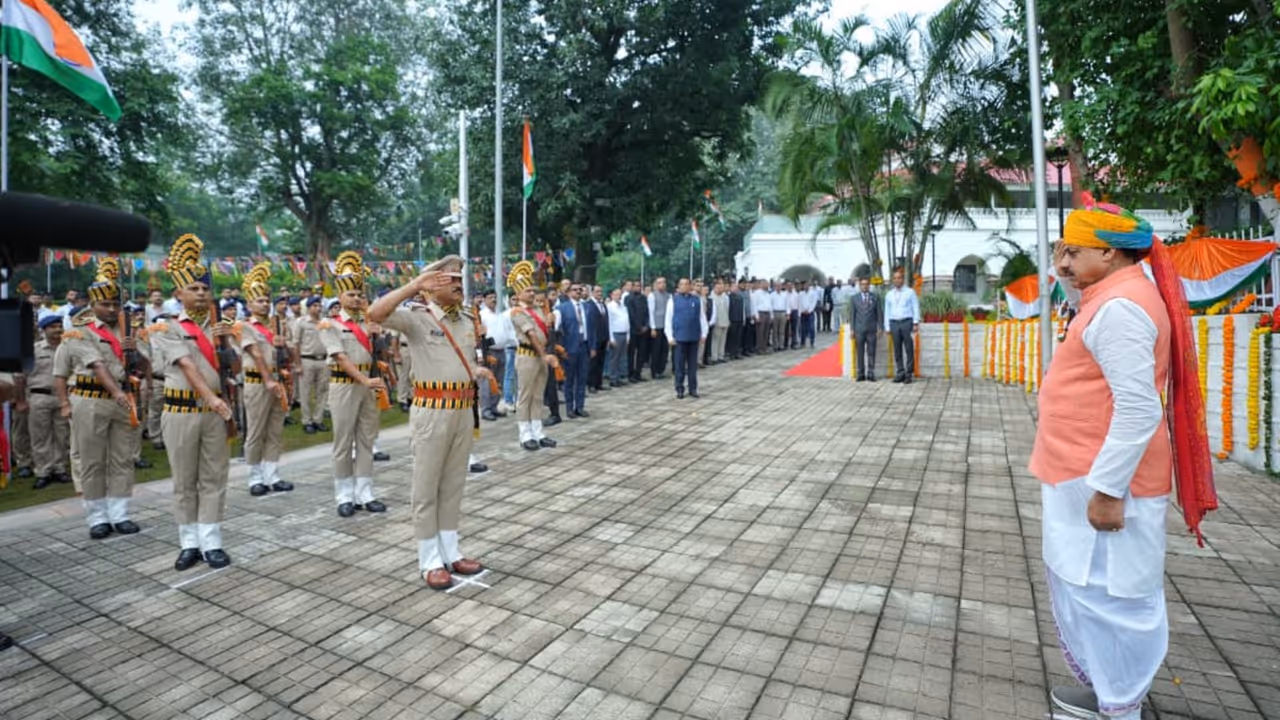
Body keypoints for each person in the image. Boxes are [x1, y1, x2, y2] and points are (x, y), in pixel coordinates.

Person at [1031, 199, 1215, 720]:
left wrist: (1109, 491)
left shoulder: (1121, 309)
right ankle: (1108, 692)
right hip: (1079, 470)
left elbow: (1137, 409)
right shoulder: (1112, 295)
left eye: (1072, 252)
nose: (1061, 264)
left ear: (1109, 253)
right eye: (1061, 252)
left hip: (1102, 479)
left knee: (1111, 595)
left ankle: (1118, 705)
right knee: (1087, 586)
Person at [368, 255, 496, 590]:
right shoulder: (416, 318)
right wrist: (413, 286)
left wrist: (476, 371)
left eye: (459, 279)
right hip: (431, 409)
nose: (458, 284)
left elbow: (463, 359)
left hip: (463, 409)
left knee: (453, 484)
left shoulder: (468, 319)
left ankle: (451, 552)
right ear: (431, 285)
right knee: (426, 487)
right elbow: (374, 314)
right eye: (449, 279)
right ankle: (429, 560)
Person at [152, 234, 237, 571]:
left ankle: (212, 540)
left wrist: (226, 344)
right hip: (182, 411)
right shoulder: (166, 327)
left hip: (215, 414)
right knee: (184, 479)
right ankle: (189, 542)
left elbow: (233, 367)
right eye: (194, 289)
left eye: (205, 289)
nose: (201, 293)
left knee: (214, 477)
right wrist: (213, 399)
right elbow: (186, 365)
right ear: (179, 294)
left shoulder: (222, 327)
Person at [60, 259, 142, 540]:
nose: (111, 309)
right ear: (92, 304)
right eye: (105, 304)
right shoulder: (78, 331)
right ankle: (97, 517)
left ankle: (120, 514)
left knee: (123, 457)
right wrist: (116, 393)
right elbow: (94, 365)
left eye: (115, 304)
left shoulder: (129, 329)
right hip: (90, 398)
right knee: (92, 459)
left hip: (123, 397)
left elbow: (145, 366)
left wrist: (135, 350)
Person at [320, 252, 387, 518]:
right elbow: (340, 357)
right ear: (340, 296)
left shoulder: (370, 323)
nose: (357, 298)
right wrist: (365, 380)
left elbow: (379, 354)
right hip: (345, 384)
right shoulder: (330, 325)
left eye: (360, 294)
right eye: (351, 294)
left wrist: (378, 338)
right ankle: (345, 495)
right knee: (343, 441)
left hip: (368, 385)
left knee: (367, 439)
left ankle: (365, 492)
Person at [237, 264, 293, 496]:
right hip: (258, 382)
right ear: (249, 304)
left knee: (274, 430)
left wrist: (283, 346)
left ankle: (273, 474)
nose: (264, 304)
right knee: (256, 430)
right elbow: (256, 354)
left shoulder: (276, 326)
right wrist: (269, 379)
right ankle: (255, 477)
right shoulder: (243, 326)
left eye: (266, 300)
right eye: (259, 300)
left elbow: (285, 355)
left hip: (277, 380)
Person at [507, 260, 559, 451]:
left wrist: (550, 321)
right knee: (525, 395)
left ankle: (538, 431)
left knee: (538, 395)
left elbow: (544, 332)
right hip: (528, 355)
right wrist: (545, 355)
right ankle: (524, 433)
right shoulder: (517, 312)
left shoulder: (538, 308)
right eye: (528, 290)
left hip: (541, 356)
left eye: (532, 290)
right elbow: (531, 335)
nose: (532, 293)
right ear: (518, 294)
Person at [20, 315, 71, 488]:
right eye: (53, 327)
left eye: (59, 326)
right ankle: (43, 471)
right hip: (39, 396)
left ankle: (60, 469)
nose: (57, 330)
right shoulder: (33, 350)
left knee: (62, 435)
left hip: (63, 397)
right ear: (44, 329)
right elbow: (20, 376)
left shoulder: (67, 348)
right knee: (40, 437)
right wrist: (21, 400)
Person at [665, 278, 709, 399]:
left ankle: (693, 388)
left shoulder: (696, 299)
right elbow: (668, 319)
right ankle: (679, 388)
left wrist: (704, 333)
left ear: (690, 286)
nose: (684, 286)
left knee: (692, 366)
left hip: (693, 336)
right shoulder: (673, 300)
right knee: (679, 365)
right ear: (678, 287)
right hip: (679, 337)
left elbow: (702, 318)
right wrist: (669, 336)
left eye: (686, 284)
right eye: (682, 284)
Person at [556, 284, 593, 418]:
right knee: (569, 379)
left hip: (584, 345)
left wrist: (592, 346)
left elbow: (591, 328)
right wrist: (560, 348)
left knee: (582, 378)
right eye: (575, 290)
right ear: (568, 292)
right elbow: (557, 330)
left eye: (580, 290)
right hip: (569, 347)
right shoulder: (562, 308)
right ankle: (569, 408)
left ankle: (580, 406)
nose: (578, 292)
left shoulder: (586, 307)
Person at [295, 297, 329, 433]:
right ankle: (307, 420)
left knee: (323, 390)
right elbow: (296, 344)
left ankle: (318, 419)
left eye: (319, 305)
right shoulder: (301, 322)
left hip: (323, 359)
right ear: (309, 308)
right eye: (314, 306)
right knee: (306, 392)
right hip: (307, 359)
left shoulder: (325, 322)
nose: (318, 308)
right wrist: (297, 364)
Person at [884, 269, 920, 383]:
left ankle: (909, 373)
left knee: (909, 348)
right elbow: (887, 311)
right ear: (892, 280)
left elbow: (915, 307)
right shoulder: (889, 294)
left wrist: (915, 322)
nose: (897, 280)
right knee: (897, 349)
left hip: (906, 322)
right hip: (894, 323)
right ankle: (900, 372)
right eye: (895, 278)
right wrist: (887, 327)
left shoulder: (910, 292)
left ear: (902, 279)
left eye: (899, 278)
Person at [850, 277, 882, 382]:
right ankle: (861, 373)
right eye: (862, 284)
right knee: (860, 352)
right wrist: (852, 329)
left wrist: (880, 327)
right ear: (860, 286)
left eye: (866, 284)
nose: (864, 286)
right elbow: (852, 315)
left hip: (872, 329)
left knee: (871, 352)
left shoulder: (875, 297)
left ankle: (871, 373)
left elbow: (879, 313)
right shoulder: (854, 298)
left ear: (869, 285)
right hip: (859, 329)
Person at [625, 280, 650, 382]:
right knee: (631, 353)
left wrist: (646, 326)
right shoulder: (628, 298)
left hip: (644, 331)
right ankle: (630, 374)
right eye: (635, 286)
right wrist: (638, 326)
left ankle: (638, 373)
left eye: (639, 286)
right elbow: (630, 314)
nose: (638, 288)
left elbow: (646, 313)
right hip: (633, 330)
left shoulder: (644, 298)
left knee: (641, 353)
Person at [605, 287, 630, 387]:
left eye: (619, 294)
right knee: (614, 357)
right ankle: (613, 377)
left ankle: (619, 376)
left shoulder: (623, 307)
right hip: (615, 333)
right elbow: (609, 323)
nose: (618, 296)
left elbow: (627, 321)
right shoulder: (610, 307)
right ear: (611, 295)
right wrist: (611, 338)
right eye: (616, 294)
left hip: (624, 333)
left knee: (621, 357)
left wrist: (628, 335)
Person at [647, 277, 670, 378]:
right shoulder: (652, 295)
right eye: (660, 283)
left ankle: (661, 370)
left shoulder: (668, 296)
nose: (662, 285)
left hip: (666, 326)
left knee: (664, 349)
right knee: (656, 350)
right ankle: (654, 371)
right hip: (657, 326)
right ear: (656, 285)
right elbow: (651, 312)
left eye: (664, 283)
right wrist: (652, 327)